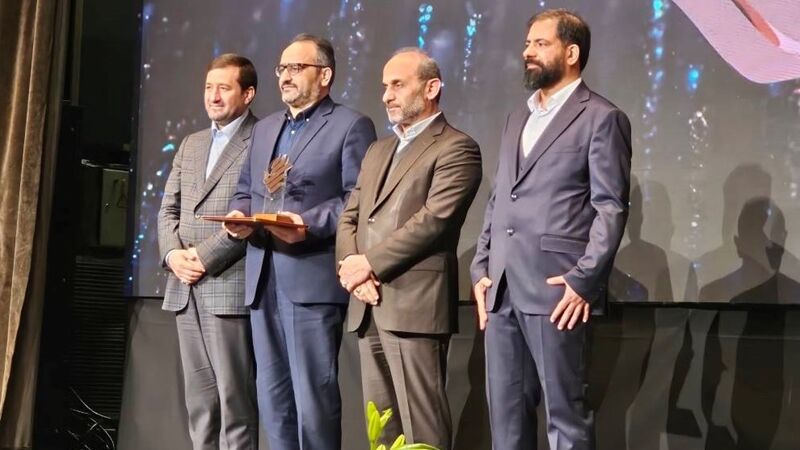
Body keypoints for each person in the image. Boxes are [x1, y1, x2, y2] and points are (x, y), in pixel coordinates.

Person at [470, 9, 631, 450]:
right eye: (527, 44)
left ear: (571, 53)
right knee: (506, 421)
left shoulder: (601, 118)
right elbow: (500, 199)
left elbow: (610, 208)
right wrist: (481, 267)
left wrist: (583, 280)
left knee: (565, 421)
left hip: (557, 293)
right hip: (502, 289)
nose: (528, 52)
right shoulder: (516, 118)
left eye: (540, 44)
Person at [223, 34, 376, 450]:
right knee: (273, 398)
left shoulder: (350, 125)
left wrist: (306, 222)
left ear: (324, 75)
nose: (285, 76)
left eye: (296, 67)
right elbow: (245, 190)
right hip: (262, 276)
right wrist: (239, 215)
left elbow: (356, 200)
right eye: (282, 68)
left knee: (313, 399)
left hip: (309, 276)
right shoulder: (266, 127)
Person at [336, 48, 482, 449]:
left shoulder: (456, 147)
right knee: (381, 427)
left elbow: (433, 221)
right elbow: (351, 217)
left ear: (431, 88)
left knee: (422, 428)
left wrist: (369, 264)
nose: (387, 95)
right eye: (385, 86)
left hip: (414, 304)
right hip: (367, 303)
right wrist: (350, 266)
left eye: (398, 85)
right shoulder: (377, 150)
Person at [157, 53, 259, 450]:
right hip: (185, 288)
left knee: (235, 402)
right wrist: (173, 256)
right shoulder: (192, 143)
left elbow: (255, 214)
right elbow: (168, 209)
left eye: (224, 88)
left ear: (247, 94)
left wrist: (203, 257)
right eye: (208, 88)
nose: (213, 97)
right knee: (199, 404)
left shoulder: (262, 139)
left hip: (227, 286)